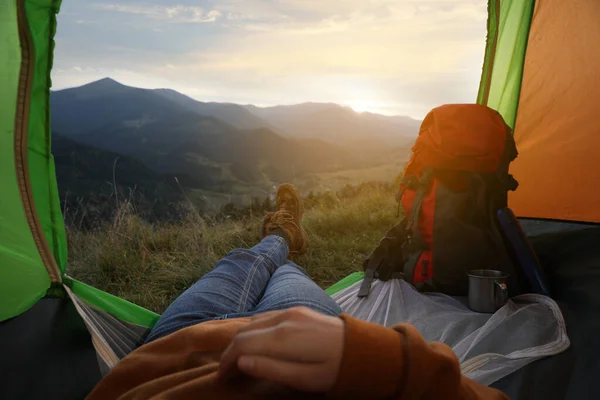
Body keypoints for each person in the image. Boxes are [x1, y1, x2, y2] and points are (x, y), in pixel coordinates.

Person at [87, 184, 508, 399]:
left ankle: (282, 235)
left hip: (178, 353)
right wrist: (376, 362)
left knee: (240, 262)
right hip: (311, 356)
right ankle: (285, 241)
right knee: (285, 276)